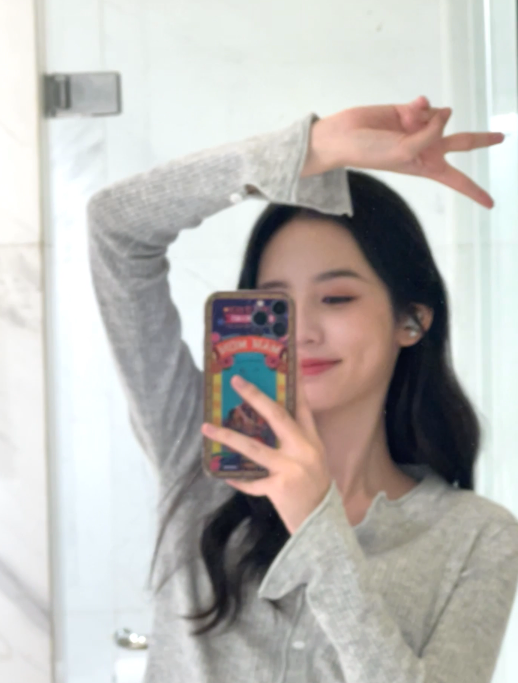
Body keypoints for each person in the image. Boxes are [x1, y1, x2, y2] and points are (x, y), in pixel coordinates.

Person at [87, 96, 518, 683]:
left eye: (336, 298)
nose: (302, 330)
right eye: (275, 306)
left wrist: (317, 525)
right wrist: (306, 152)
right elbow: (116, 228)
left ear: (411, 321)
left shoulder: (477, 537)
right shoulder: (201, 454)